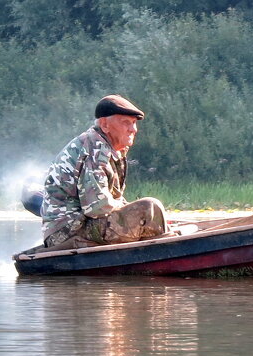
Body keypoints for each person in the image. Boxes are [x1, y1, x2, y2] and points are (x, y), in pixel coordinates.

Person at [40, 94, 169, 250]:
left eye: (134, 123)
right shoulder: (95, 149)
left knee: (151, 214)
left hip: (79, 226)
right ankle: (165, 251)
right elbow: (97, 207)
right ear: (105, 125)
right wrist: (136, 214)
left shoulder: (106, 147)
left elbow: (112, 200)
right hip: (68, 233)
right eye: (126, 123)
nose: (133, 129)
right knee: (149, 208)